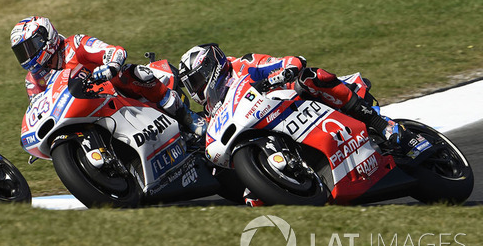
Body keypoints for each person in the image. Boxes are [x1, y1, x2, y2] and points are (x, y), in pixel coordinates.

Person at [177, 43, 424, 152]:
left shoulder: (244, 64)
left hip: (291, 105)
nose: (197, 89)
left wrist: (278, 76)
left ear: (212, 67)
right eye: (191, 85)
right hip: (271, 129)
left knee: (309, 78)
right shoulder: (212, 108)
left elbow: (291, 62)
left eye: (198, 80)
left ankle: (384, 126)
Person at [9, 16, 206, 136]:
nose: (28, 56)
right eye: (22, 53)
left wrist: (110, 66)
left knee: (134, 73)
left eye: (30, 48)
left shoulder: (75, 45)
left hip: (112, 95)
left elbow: (114, 51)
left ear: (46, 37)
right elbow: (39, 110)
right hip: (80, 114)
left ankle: (188, 118)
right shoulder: (32, 81)